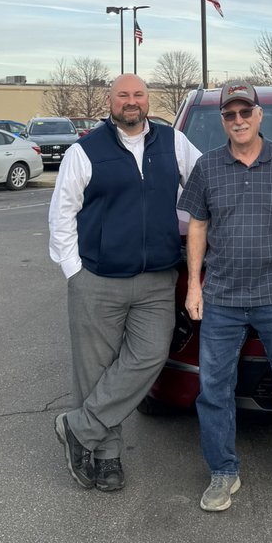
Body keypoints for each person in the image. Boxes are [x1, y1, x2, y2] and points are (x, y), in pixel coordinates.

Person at [48, 74, 200, 492]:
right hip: (97, 279)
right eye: (123, 96)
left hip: (156, 281)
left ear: (148, 100)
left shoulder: (174, 143)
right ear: (110, 101)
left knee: (150, 357)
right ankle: (107, 456)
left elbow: (207, 185)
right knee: (94, 370)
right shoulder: (85, 151)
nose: (131, 102)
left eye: (138, 95)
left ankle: (79, 427)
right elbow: (62, 215)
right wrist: (74, 272)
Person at [179, 82, 272, 513]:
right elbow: (198, 226)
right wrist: (194, 285)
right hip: (221, 295)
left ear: (259, 116)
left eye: (245, 113)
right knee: (213, 388)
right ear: (222, 120)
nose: (238, 121)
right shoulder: (207, 166)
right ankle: (223, 470)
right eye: (230, 115)